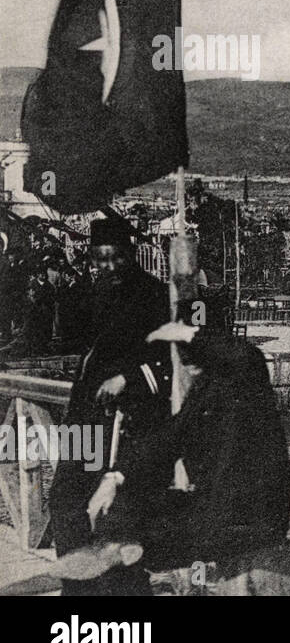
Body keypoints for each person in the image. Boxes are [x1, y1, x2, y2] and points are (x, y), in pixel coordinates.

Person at [86, 321, 290, 591]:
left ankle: (134, 554)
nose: (187, 369)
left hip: (255, 518)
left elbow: (247, 354)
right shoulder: (204, 390)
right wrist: (116, 477)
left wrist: (187, 333)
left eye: (193, 361)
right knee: (122, 512)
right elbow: (168, 439)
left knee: (140, 536)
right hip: (219, 507)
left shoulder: (244, 377)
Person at [49, 218, 172, 596]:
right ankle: (77, 590)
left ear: (131, 255)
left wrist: (129, 379)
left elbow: (172, 358)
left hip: (130, 419)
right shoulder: (88, 294)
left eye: (117, 258)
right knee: (66, 497)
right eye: (101, 260)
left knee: (119, 512)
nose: (110, 267)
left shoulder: (153, 295)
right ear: (92, 259)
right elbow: (65, 341)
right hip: (85, 415)